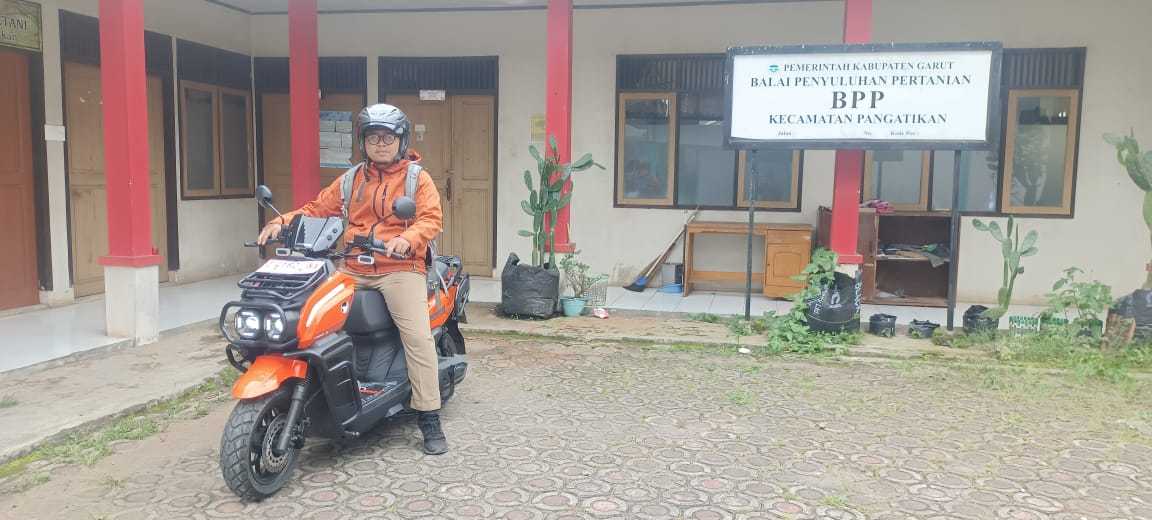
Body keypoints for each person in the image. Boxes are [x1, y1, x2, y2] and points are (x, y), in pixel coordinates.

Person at [256, 104, 449, 455]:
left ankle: (428, 416)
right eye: (373, 137)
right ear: (363, 142)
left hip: (399, 268)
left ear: (401, 141)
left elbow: (432, 218)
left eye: (387, 137)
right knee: (311, 317)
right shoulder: (351, 179)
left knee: (418, 338)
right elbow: (317, 208)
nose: (380, 144)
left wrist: (408, 239)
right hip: (352, 267)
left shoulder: (417, 178)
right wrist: (281, 222)